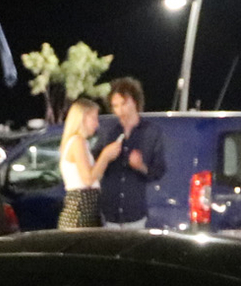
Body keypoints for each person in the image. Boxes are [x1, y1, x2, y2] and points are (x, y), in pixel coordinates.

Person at [93, 77, 164, 230]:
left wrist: (141, 166)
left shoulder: (152, 132)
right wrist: (105, 156)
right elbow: (94, 169)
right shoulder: (108, 133)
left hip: (135, 215)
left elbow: (158, 171)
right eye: (115, 106)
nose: (120, 110)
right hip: (109, 215)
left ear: (136, 102)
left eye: (124, 103)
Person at [57, 97, 102, 228]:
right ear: (82, 118)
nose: (97, 124)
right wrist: (106, 156)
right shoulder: (77, 142)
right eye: (94, 118)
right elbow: (88, 179)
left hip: (83, 212)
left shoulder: (78, 142)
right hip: (80, 213)